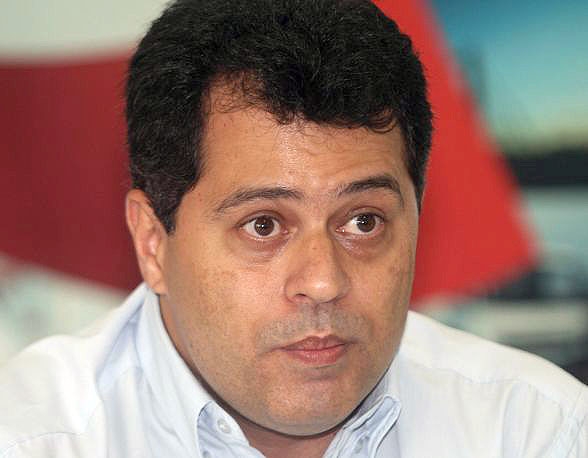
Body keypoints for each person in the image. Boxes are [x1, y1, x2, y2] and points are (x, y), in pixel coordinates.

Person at [0, 0, 586, 456]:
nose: (324, 282)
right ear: (153, 242)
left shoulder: (537, 432)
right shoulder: (33, 439)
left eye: (363, 221)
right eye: (263, 225)